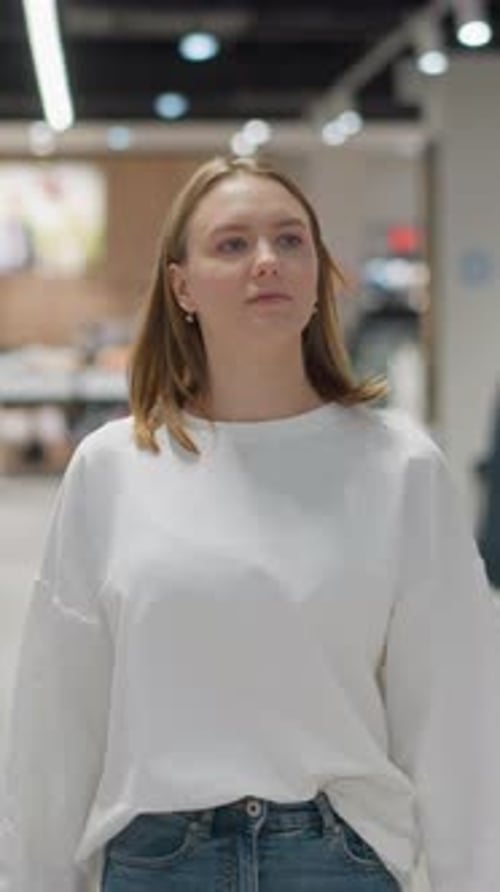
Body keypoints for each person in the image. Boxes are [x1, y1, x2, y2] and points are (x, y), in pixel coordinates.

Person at [1, 155, 499, 892]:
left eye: (290, 240)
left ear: (319, 272)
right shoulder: (113, 467)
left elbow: (456, 717)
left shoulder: (399, 468)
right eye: (233, 244)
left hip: (338, 861)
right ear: (182, 285)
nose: (267, 261)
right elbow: (59, 717)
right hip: (155, 863)